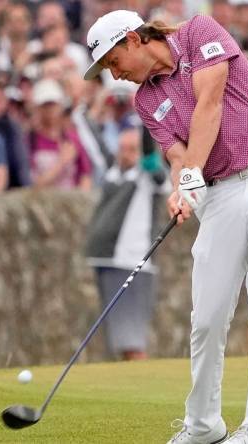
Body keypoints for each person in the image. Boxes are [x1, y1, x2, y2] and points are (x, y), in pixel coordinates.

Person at [83, 10, 248, 444]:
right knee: (206, 317)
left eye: (113, 62)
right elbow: (176, 154)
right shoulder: (145, 100)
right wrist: (180, 188)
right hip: (221, 193)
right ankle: (204, 426)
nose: (115, 75)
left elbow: (211, 102)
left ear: (133, 39)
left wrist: (191, 175)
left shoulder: (200, 32)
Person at [85, 126, 169, 361]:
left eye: (132, 149)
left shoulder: (149, 174)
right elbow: (94, 139)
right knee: (119, 338)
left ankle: (143, 383)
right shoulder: (113, 173)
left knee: (131, 338)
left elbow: (151, 156)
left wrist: (146, 119)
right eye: (122, 149)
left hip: (132, 262)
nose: (126, 154)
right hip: (106, 259)